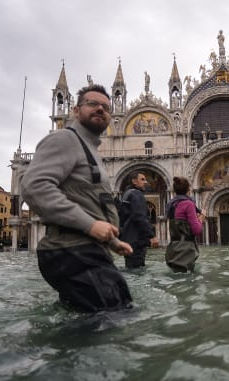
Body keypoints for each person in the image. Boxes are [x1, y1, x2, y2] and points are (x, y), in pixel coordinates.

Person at [21, 84, 134, 313]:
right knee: (112, 321)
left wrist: (112, 242)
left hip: (85, 251)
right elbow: (34, 187)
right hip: (73, 251)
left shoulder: (89, 149)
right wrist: (90, 225)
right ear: (75, 110)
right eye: (92, 104)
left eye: (105, 107)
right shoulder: (65, 139)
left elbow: (91, 202)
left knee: (104, 318)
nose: (100, 109)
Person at [119, 171, 158, 269]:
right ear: (134, 181)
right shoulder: (136, 194)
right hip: (136, 242)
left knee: (130, 268)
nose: (146, 182)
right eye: (142, 179)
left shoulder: (126, 194)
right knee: (137, 271)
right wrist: (152, 235)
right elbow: (139, 217)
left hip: (127, 240)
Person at [164, 177, 204, 273]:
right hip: (185, 251)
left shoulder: (171, 204)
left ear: (174, 191)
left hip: (172, 250)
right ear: (188, 190)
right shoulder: (188, 204)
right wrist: (201, 218)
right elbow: (197, 230)